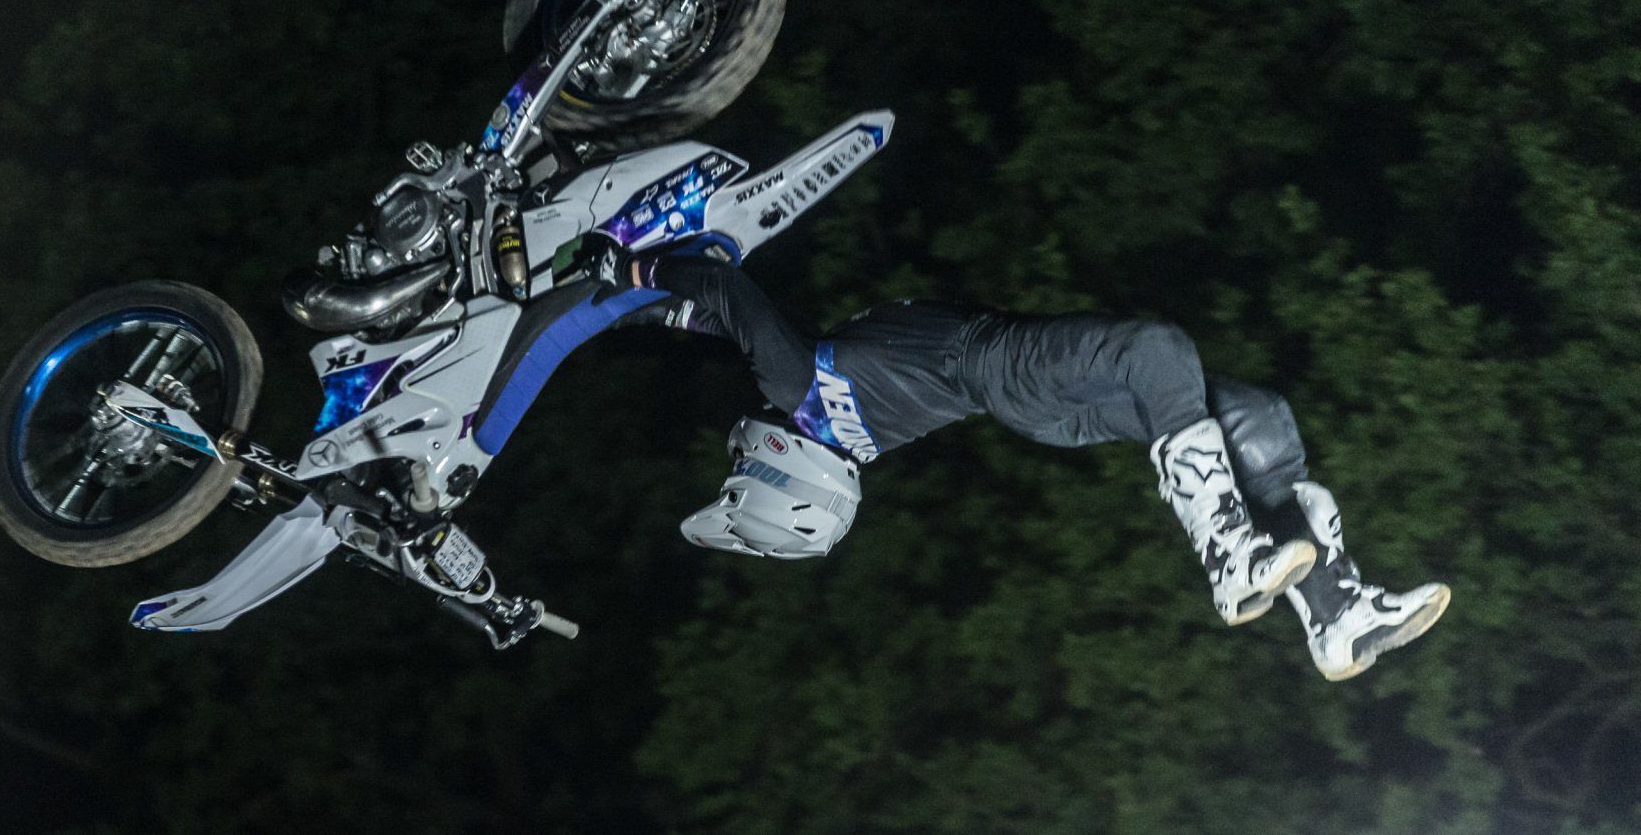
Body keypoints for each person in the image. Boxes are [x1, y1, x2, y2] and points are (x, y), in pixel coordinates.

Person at [592, 245, 1449, 681]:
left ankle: (1335, 615)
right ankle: (1230, 557)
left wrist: (640, 312)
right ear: (774, 465)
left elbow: (717, 317)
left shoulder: (843, 418)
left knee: (1253, 420)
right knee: (1156, 351)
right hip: (1003, 367)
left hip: (1036, 409)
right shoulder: (798, 386)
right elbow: (727, 291)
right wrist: (631, 268)